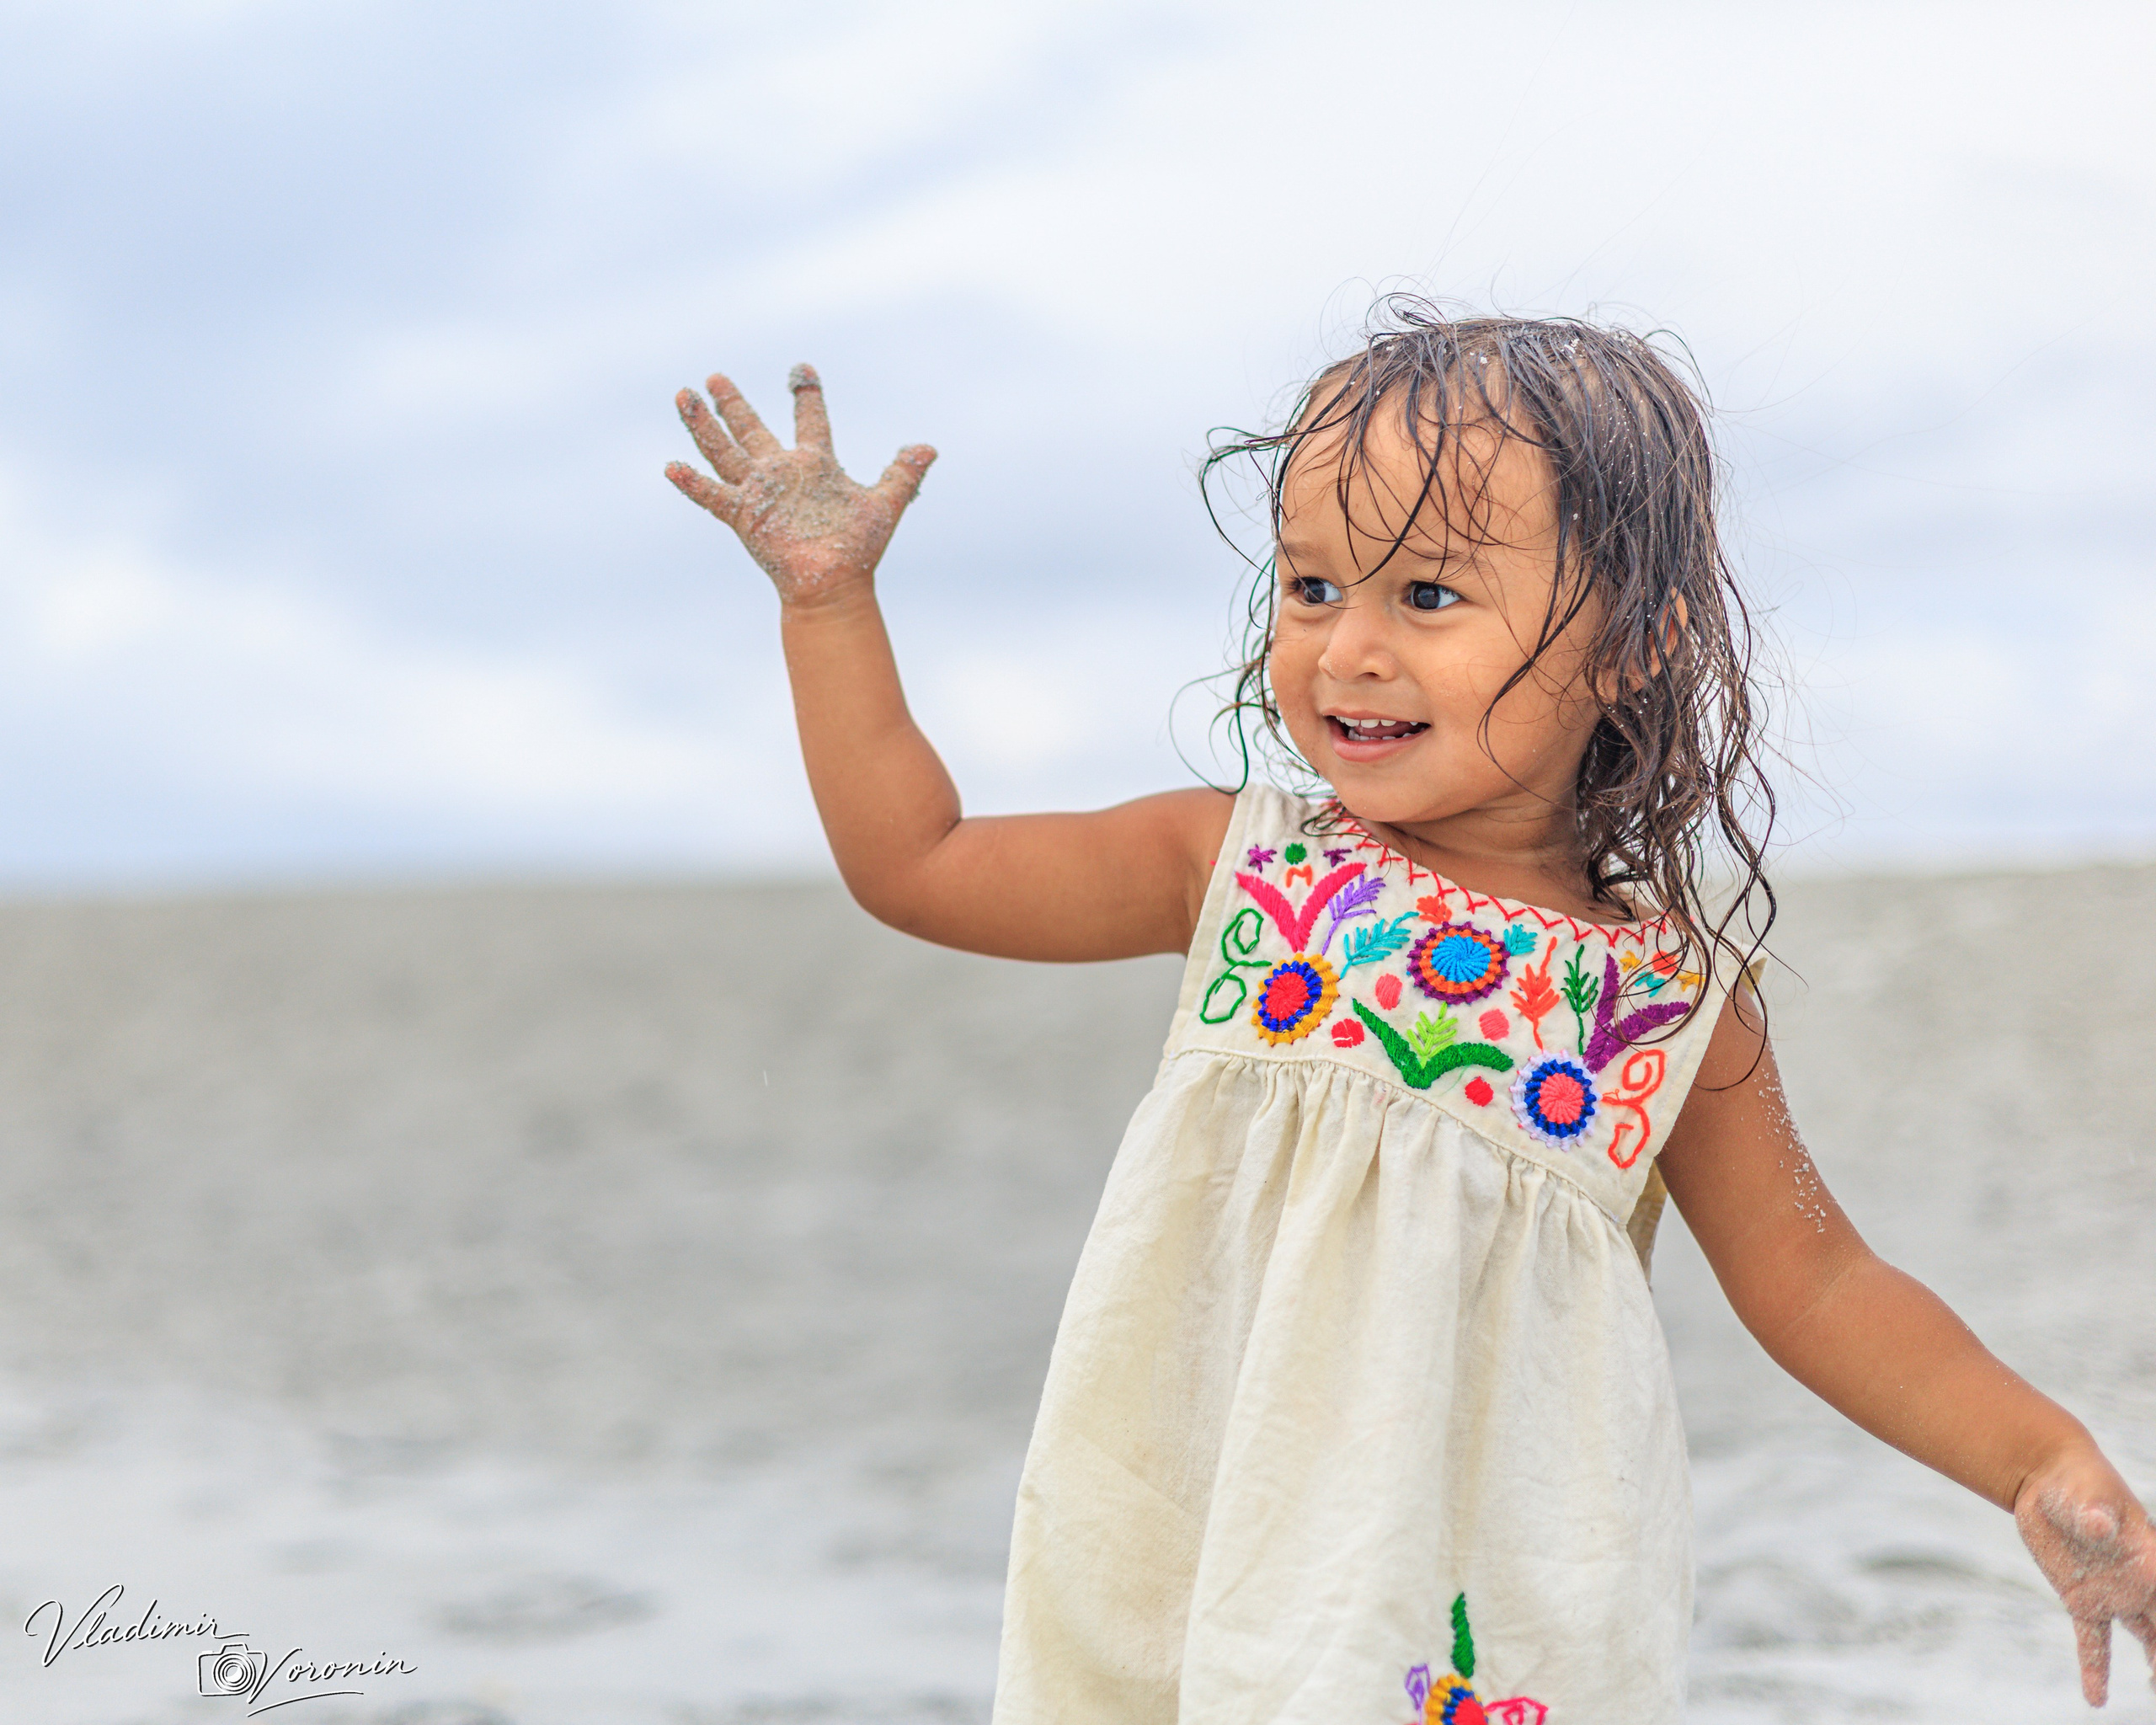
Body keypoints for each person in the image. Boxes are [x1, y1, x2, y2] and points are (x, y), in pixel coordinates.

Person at [664, 304, 2156, 1723]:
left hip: (1468, 1594)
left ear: (1635, 643)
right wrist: (830, 605)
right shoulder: (1243, 867)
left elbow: (1822, 1285)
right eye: (1313, 586)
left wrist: (2041, 1460)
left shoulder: (1661, 1006)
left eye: (1427, 595)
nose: (1349, 648)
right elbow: (918, 866)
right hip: (1192, 1530)